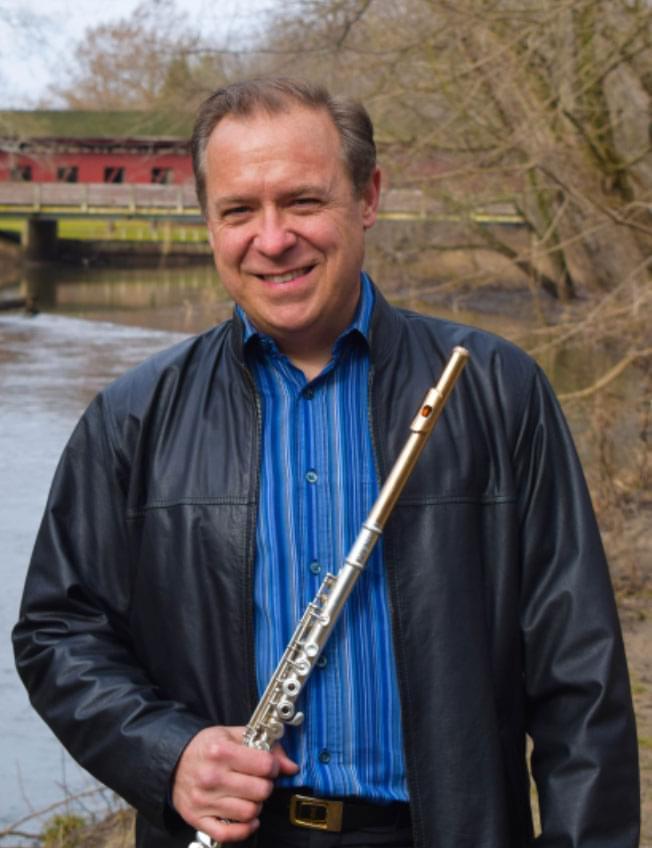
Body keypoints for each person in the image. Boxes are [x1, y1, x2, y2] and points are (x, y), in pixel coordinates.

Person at [13, 78, 639, 848]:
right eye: (240, 210)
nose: (272, 239)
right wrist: (166, 756)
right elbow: (58, 632)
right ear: (208, 220)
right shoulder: (130, 418)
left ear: (367, 197)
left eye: (303, 201)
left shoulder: (496, 391)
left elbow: (583, 678)